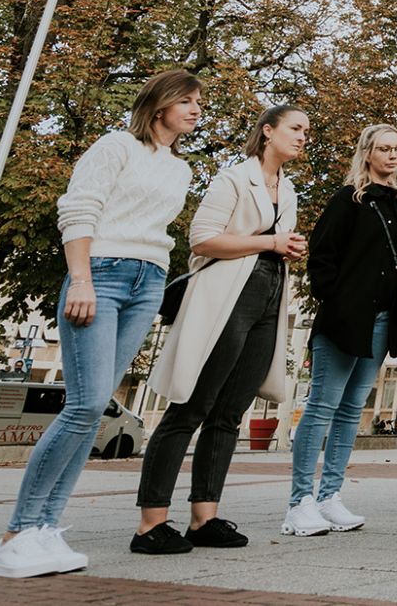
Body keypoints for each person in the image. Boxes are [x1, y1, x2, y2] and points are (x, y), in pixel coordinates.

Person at [0, 70, 200, 579]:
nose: (195, 109)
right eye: (187, 100)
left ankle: (45, 528)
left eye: (199, 102)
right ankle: (16, 533)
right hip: (101, 272)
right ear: (160, 103)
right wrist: (80, 280)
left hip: (149, 281)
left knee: (95, 407)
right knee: (83, 404)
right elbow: (79, 210)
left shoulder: (181, 169)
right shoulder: (115, 146)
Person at [131, 104, 305, 555]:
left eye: (306, 130)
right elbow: (202, 240)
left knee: (230, 412)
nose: (303, 136)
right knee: (190, 406)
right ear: (268, 132)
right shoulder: (232, 178)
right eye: (295, 128)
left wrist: (285, 250)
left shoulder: (288, 190)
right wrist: (271, 241)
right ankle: (150, 523)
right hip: (228, 296)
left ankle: (203, 517)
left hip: (268, 297)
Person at [286, 123, 397, 537]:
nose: (393, 156)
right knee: (322, 404)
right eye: (384, 149)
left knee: (351, 411)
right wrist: (336, 301)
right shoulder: (349, 200)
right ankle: (299, 501)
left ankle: (329, 495)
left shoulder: (396, 204)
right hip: (345, 318)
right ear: (368, 153)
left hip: (380, 321)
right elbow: (321, 256)